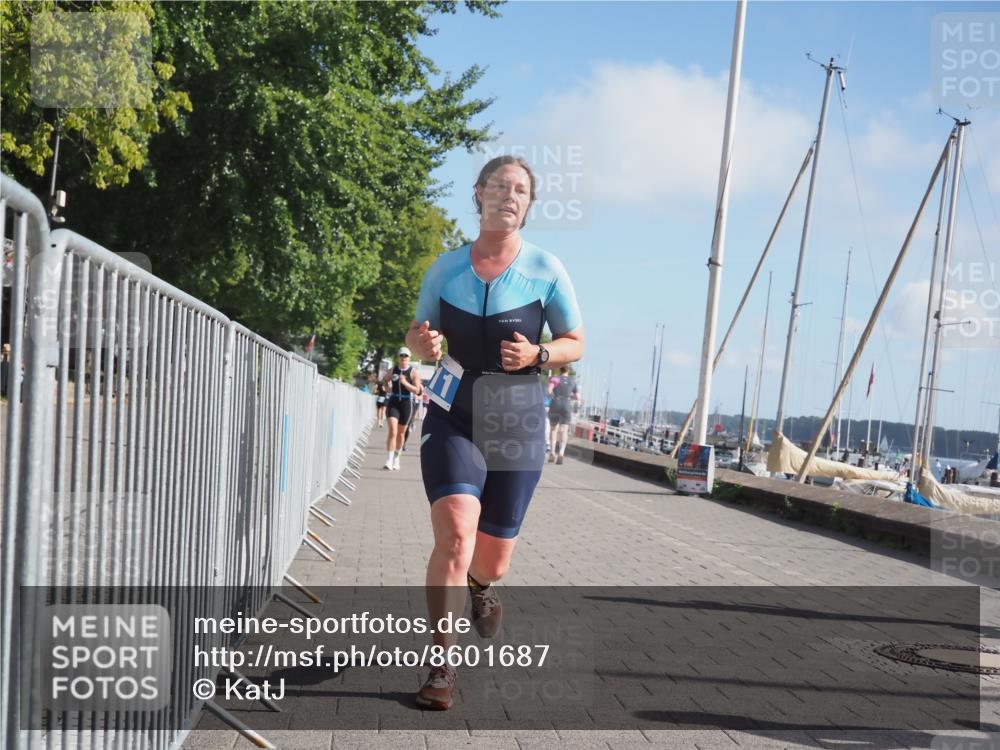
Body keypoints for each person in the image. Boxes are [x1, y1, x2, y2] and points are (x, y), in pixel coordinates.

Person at [406, 155, 584, 710]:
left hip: (516, 419)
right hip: (453, 413)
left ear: (529, 206)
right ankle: (441, 666)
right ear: (478, 193)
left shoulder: (546, 268)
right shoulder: (445, 268)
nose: (509, 196)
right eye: (500, 186)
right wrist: (424, 347)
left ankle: (483, 589)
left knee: (491, 559)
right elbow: (416, 335)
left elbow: (576, 340)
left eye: (521, 191)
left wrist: (541, 352)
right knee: (456, 536)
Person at [382, 347, 421, 470]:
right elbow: (384, 380)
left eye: (406, 356)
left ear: (409, 358)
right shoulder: (393, 370)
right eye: (401, 355)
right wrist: (386, 388)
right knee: (393, 430)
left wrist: (405, 383)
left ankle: (397, 459)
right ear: (398, 357)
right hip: (393, 401)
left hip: (406, 403)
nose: (403, 358)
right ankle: (389, 459)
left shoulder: (413, 372)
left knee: (401, 433)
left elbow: (417, 390)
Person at [546, 365, 579, 464]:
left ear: (560, 369)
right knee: (563, 430)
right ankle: (561, 452)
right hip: (566, 405)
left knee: (553, 429)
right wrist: (569, 397)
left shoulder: (555, 378)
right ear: (569, 371)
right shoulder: (573, 382)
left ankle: (552, 452)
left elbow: (548, 391)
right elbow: (577, 397)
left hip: (556, 403)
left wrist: (553, 396)